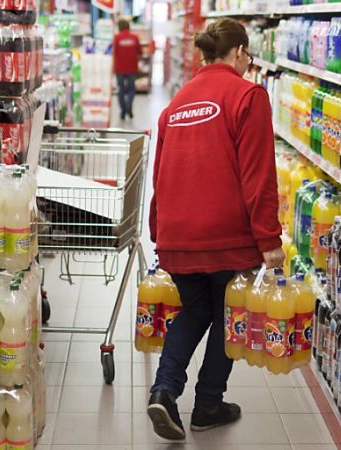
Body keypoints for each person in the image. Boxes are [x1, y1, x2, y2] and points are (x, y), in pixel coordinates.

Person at [146, 18, 284, 441]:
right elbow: (258, 175)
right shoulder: (248, 95)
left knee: (195, 310)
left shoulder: (178, 102)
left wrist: (158, 231)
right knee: (226, 316)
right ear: (240, 52)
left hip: (178, 234)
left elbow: (161, 173)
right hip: (227, 237)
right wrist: (269, 241)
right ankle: (207, 405)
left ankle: (165, 392)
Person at [113, 18, 141, 120]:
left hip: (119, 68)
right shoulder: (134, 37)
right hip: (132, 68)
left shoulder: (116, 38)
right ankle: (129, 106)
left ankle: (123, 109)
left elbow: (113, 52)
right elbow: (139, 51)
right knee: (131, 89)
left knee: (121, 89)